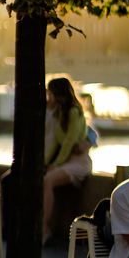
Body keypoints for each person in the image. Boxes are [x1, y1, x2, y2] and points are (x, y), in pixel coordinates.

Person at [43, 76, 92, 244]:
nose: (50, 98)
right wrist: (46, 163)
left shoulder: (74, 112)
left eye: (52, 94)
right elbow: (56, 143)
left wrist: (55, 165)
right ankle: (44, 228)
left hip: (78, 162)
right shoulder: (59, 112)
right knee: (46, 179)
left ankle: (44, 228)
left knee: (48, 180)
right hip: (64, 162)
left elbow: (69, 143)